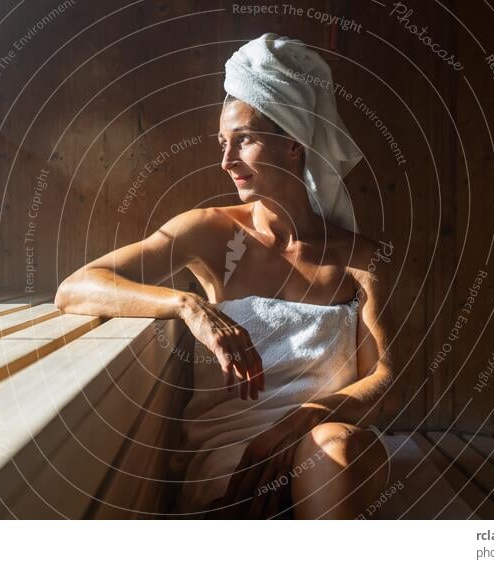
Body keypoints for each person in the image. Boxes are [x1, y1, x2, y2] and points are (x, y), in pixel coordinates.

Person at [55, 33, 396, 519]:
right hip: (228, 462)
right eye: (222, 143)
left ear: (294, 143)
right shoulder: (208, 233)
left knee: (334, 450)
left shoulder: (361, 259)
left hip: (325, 445)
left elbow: (385, 377)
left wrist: (298, 423)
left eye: (245, 140)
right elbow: (75, 288)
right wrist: (189, 307)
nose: (226, 160)